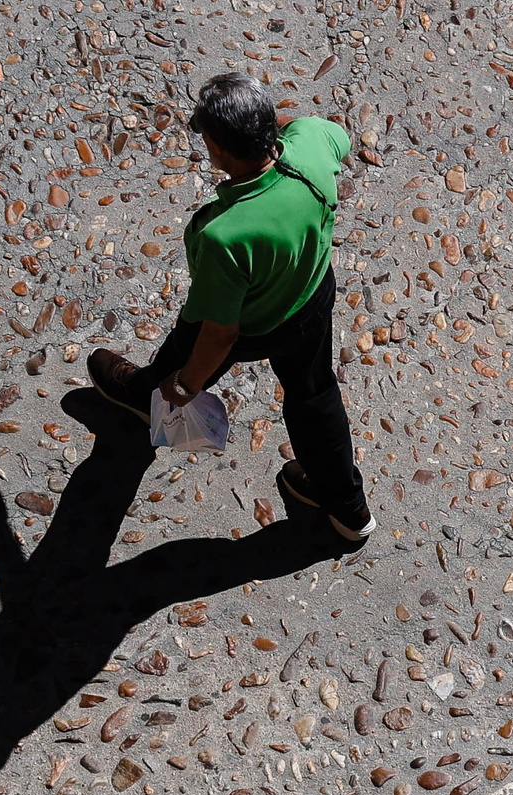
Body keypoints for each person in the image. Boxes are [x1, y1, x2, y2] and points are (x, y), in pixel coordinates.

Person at [88, 71, 374, 546]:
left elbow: (219, 334)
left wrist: (186, 386)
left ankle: (148, 397)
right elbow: (337, 139)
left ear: (219, 150)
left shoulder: (224, 235)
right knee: (314, 398)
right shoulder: (311, 144)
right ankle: (349, 511)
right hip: (310, 297)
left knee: (183, 356)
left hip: (252, 327)